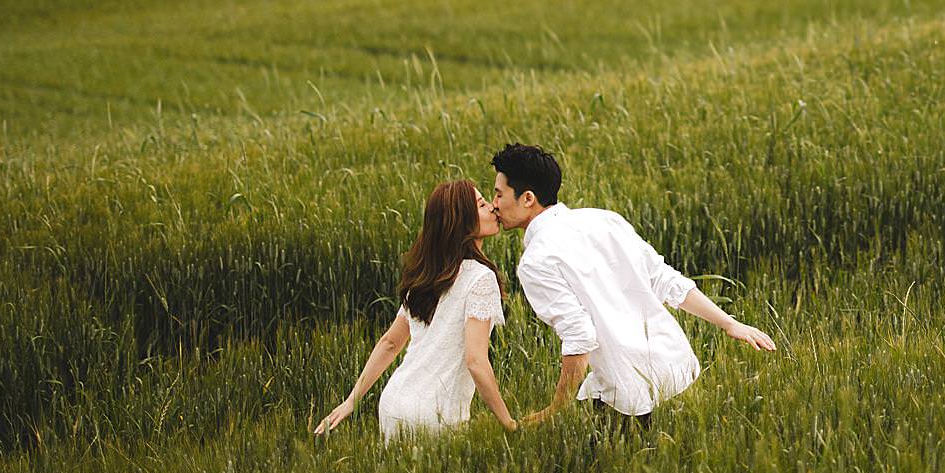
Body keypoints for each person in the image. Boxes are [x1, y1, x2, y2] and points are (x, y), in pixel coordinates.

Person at [491, 142, 776, 425]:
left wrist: (556, 409)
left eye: (499, 194)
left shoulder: (537, 261)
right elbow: (665, 279)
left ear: (527, 198)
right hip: (676, 370)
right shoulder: (604, 219)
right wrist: (729, 323)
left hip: (628, 395)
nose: (494, 204)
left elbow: (580, 336)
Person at [316, 179, 517, 438]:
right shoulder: (480, 278)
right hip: (437, 414)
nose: (492, 207)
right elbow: (476, 361)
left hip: (394, 403)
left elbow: (390, 342)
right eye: (481, 204)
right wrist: (508, 423)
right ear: (463, 221)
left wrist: (352, 400)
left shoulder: (428, 273)